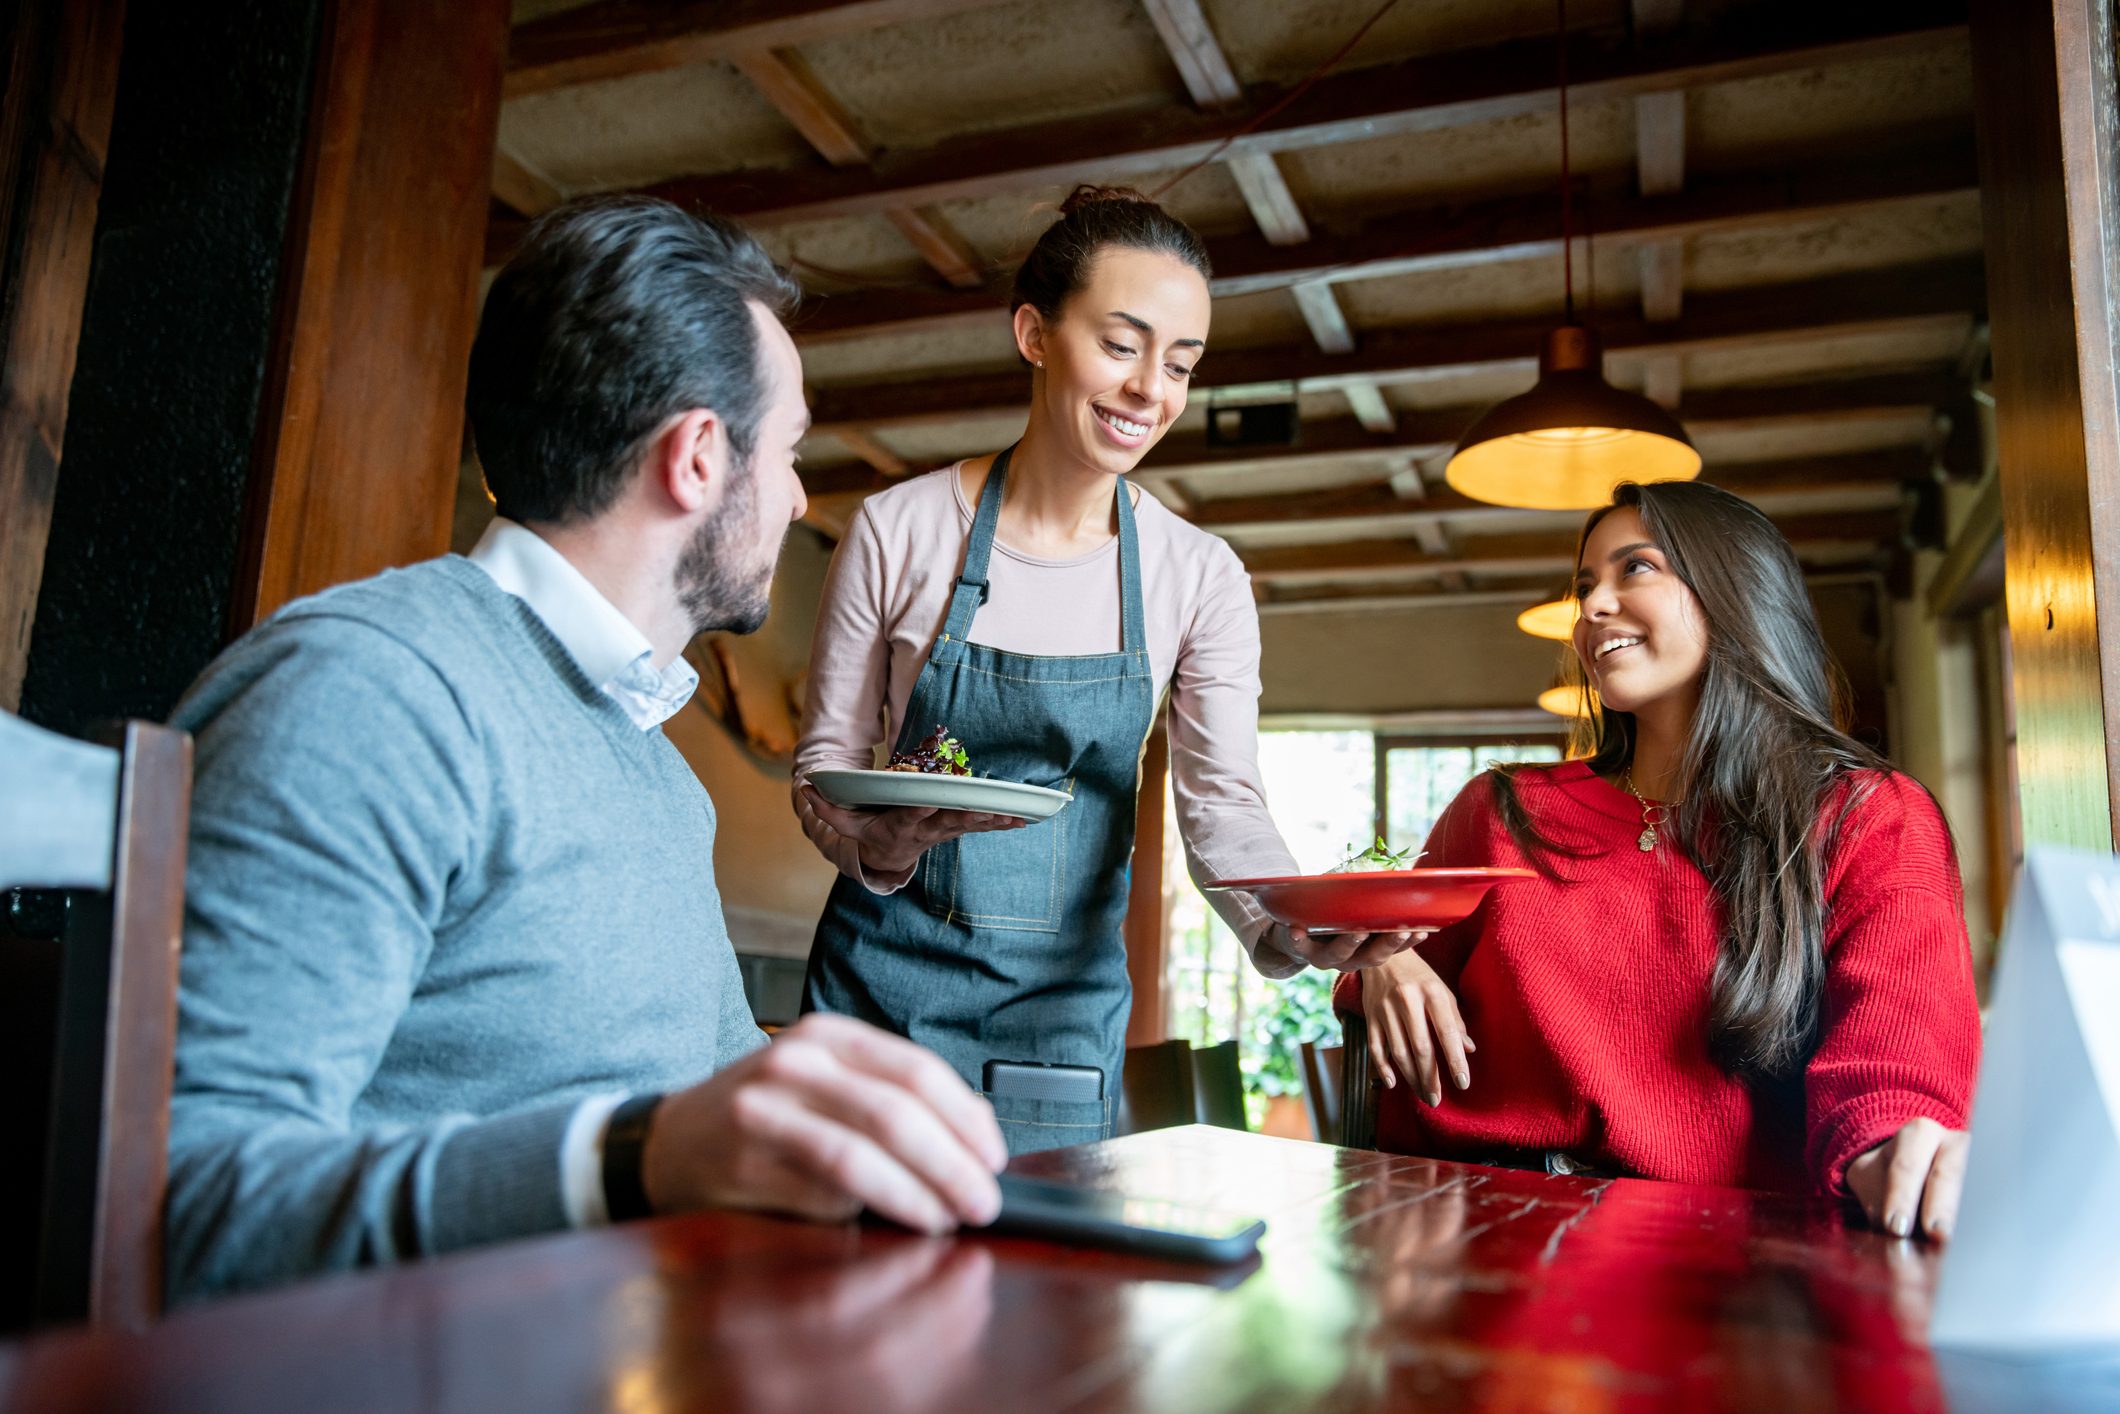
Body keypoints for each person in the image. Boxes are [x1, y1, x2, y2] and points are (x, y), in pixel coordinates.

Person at [164, 197, 1005, 1304]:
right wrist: (632, 1157)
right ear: (699, 456)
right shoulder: (369, 691)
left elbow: (709, 1078)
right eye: (792, 452)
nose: (800, 494)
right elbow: (181, 1204)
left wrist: (858, 1113)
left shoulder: (653, 768)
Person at [793, 186, 1413, 1154]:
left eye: (1180, 364)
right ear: (1033, 333)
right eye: (1121, 346)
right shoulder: (898, 529)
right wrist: (880, 847)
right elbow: (824, 764)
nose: (1149, 391)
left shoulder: (1195, 574)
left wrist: (1293, 925)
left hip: (1057, 1031)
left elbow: (1222, 804)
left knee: (1041, 1296)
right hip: (877, 1001)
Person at [1343, 480, 1981, 1239]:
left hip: (1722, 1263)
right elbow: (1371, 962)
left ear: (1735, 591)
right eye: (1584, 586)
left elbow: (1893, 1074)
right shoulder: (1499, 808)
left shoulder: (1869, 820)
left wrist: (1895, 1157)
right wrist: (1385, 959)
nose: (1590, 608)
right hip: (1459, 1227)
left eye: (1634, 569)